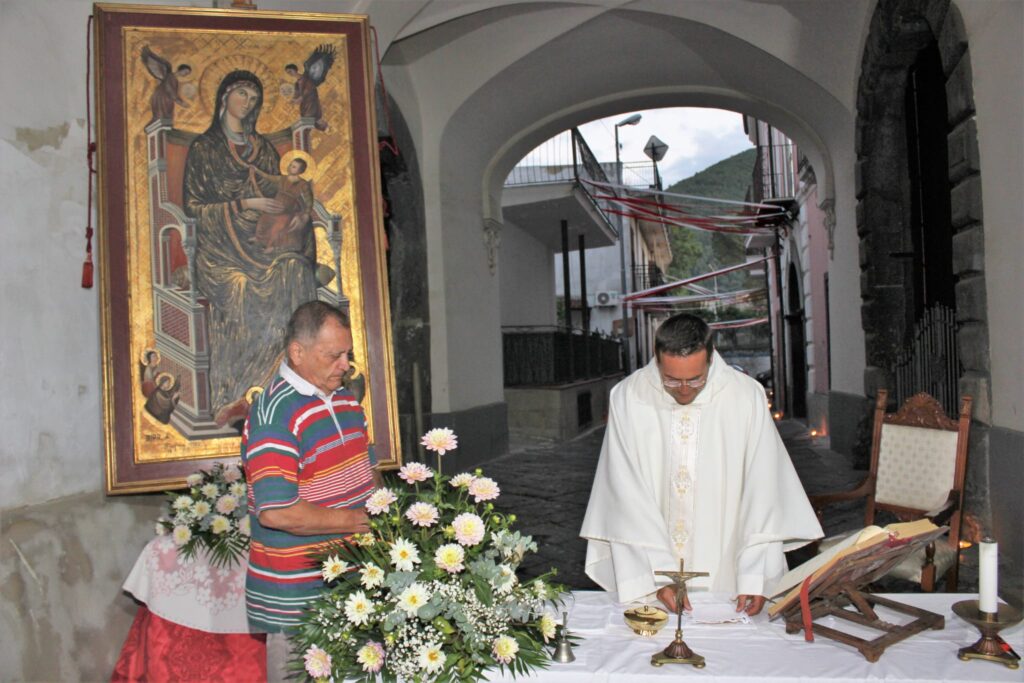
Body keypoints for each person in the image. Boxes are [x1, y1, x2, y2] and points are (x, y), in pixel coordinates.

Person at [580, 313, 822, 616]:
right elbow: (625, 494)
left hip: (727, 560)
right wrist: (656, 574)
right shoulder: (628, 398)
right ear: (656, 359)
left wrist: (753, 574)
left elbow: (764, 490)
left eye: (695, 379)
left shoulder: (746, 397)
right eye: (671, 379)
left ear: (710, 360)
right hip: (653, 565)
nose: (684, 389)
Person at [242, 301, 379, 677]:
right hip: (299, 599)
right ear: (297, 352)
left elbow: (368, 471)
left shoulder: (346, 399)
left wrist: (384, 513)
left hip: (353, 585)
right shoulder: (275, 413)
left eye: (347, 353)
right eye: (333, 355)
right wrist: (356, 521)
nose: (345, 364)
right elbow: (277, 511)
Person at [183, 70, 318, 423]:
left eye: (255, 98)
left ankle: (290, 390)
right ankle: (237, 394)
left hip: (266, 244)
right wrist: (246, 205)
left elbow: (287, 194)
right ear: (224, 96)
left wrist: (298, 217)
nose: (248, 103)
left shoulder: (264, 148)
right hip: (221, 251)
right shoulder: (205, 149)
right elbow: (194, 207)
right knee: (241, 287)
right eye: (243, 94)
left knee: (295, 270)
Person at [252, 157, 315, 253]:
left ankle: (271, 246)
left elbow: (309, 200)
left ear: (300, 170)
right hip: (275, 208)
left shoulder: (303, 184)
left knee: (279, 226)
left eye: (294, 167)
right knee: (263, 219)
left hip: (288, 211)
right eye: (290, 165)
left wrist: (306, 213)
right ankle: (259, 239)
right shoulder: (282, 178)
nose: (290, 167)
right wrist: (257, 171)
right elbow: (268, 177)